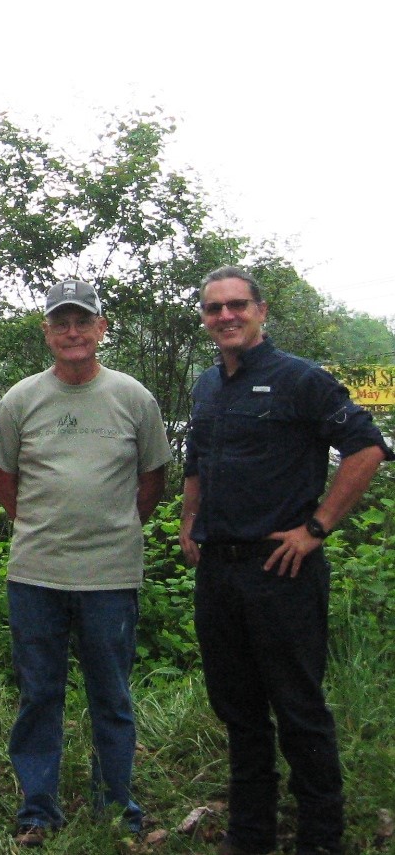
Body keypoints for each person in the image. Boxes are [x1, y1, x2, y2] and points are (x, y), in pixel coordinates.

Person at [181, 266, 391, 855]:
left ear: (261, 311)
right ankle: (251, 834)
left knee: (298, 709)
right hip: (219, 572)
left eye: (237, 305)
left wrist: (316, 529)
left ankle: (322, 838)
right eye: (214, 308)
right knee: (238, 709)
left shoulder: (300, 379)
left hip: (282, 572)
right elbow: (196, 458)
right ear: (205, 318)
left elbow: (368, 448)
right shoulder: (205, 386)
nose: (225, 316)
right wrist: (188, 520)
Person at [0, 280, 171, 847]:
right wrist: (49, 528)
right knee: (39, 694)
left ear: (101, 328)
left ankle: (118, 807)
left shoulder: (133, 398)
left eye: (82, 321)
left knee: (111, 696)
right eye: (60, 322)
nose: (72, 332)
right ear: (46, 332)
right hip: (35, 574)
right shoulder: (20, 400)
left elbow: (152, 482)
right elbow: (4, 483)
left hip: (110, 576)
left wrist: (107, 529)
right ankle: (37, 809)